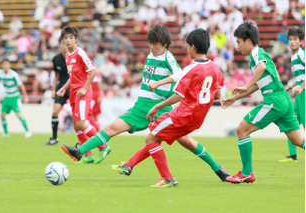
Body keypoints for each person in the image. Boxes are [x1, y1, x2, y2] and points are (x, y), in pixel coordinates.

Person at [60, 25, 230, 185]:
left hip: (159, 106)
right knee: (118, 129)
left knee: (160, 139)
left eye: (155, 44)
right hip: (141, 105)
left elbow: (178, 73)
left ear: (165, 44)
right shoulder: (150, 56)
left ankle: (156, 173)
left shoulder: (168, 57)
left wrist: (159, 84)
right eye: (150, 43)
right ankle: (83, 152)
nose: (152, 47)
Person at [111, 28, 230, 187]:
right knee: (180, 140)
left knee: (151, 138)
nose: (187, 49)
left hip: (183, 115)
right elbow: (216, 95)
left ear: (193, 47)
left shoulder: (190, 69)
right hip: (198, 118)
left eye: (187, 46)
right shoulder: (216, 68)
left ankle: (167, 178)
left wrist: (157, 107)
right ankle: (217, 168)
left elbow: (178, 96)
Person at [220, 22, 305, 184]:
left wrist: (245, 85)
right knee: (298, 140)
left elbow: (261, 67)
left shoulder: (256, 53)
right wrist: (234, 98)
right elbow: (258, 83)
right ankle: (246, 173)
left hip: (274, 100)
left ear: (248, 41)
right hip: (284, 99)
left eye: (238, 42)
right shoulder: (257, 54)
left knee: (242, 129)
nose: (237, 47)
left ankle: (246, 174)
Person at [57, 26, 110, 164]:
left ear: (76, 39)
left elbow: (93, 71)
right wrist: (64, 88)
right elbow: (72, 76)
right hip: (74, 92)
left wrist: (85, 88)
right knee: (76, 125)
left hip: (83, 92)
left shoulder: (80, 52)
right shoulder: (68, 56)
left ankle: (103, 146)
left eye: (71, 38)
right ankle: (89, 155)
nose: (68, 40)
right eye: (65, 38)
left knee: (81, 123)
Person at [279, 27, 305, 162]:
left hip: (304, 93)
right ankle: (293, 156)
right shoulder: (294, 56)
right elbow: (300, 77)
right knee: (291, 122)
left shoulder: (301, 54)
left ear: (301, 41)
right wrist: (290, 86)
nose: (292, 42)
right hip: (299, 94)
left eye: (295, 39)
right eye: (290, 39)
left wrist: (301, 87)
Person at [0, 59, 32, 138]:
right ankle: (6, 133)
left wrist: (25, 96)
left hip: (15, 97)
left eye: (7, 64)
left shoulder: (13, 74)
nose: (5, 66)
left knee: (18, 115)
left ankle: (28, 131)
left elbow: (21, 85)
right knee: (2, 115)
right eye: (4, 64)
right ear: (2, 65)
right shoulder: (0, 74)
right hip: (7, 97)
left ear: (9, 65)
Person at [45, 37, 69, 145]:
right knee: (55, 112)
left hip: (74, 88)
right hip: (61, 88)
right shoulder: (56, 59)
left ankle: (84, 141)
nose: (64, 46)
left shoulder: (74, 58)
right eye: (62, 44)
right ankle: (54, 138)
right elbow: (56, 76)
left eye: (66, 44)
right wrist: (53, 89)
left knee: (79, 119)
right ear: (59, 45)